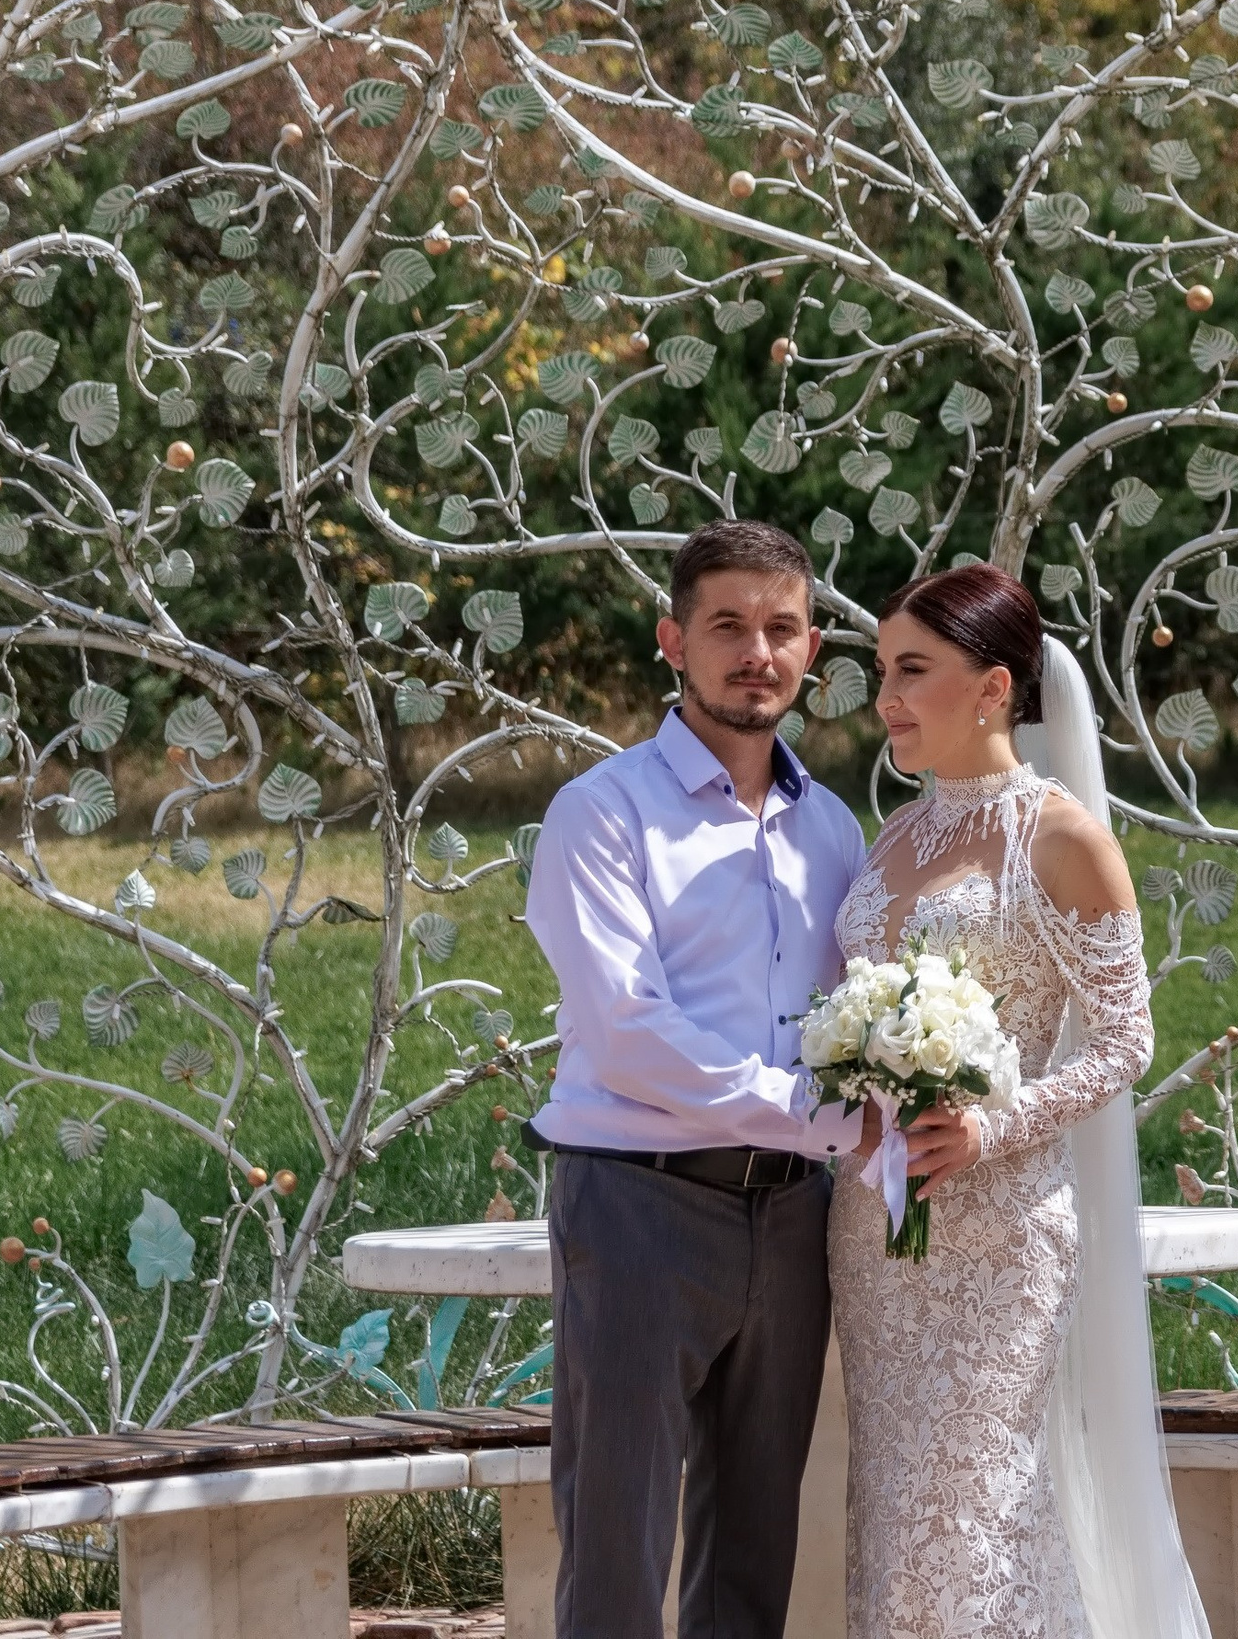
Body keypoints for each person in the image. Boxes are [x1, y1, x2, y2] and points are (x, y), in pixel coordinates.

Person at [829, 563, 1211, 1639]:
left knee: (981, 1510)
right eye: (879, 672)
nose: (887, 697)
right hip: (873, 1223)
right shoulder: (893, 839)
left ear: (993, 687)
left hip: (1001, 1239)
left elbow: (1126, 1041)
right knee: (899, 1511)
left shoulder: (1062, 836)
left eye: (913, 670)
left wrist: (989, 1125)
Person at [523, 519, 866, 1639]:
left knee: (753, 1543)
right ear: (673, 640)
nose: (754, 652)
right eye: (726, 626)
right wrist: (817, 1118)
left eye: (779, 628)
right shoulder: (603, 812)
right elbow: (626, 1031)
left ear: (810, 648)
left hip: (795, 1217)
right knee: (618, 1537)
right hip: (638, 1201)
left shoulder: (836, 831)